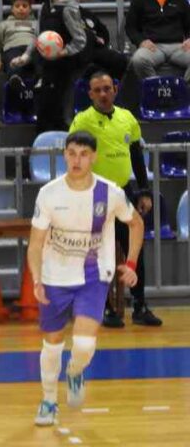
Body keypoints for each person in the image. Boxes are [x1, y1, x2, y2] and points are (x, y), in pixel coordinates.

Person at [28, 131, 142, 427]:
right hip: (54, 276)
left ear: (93, 157)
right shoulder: (49, 194)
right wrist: (37, 279)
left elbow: (136, 223)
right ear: (64, 155)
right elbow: (36, 244)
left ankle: (76, 372)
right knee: (52, 344)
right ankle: (49, 401)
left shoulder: (110, 193)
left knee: (83, 344)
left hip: (93, 275)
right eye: (72, 153)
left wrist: (130, 263)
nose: (77, 159)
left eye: (83, 154)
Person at [70, 71, 162, 328]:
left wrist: (143, 191)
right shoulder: (82, 121)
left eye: (107, 88)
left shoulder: (127, 118)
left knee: (135, 250)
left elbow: (135, 155)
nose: (103, 94)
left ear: (115, 90)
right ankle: (107, 308)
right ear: (90, 94)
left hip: (123, 194)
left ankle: (140, 306)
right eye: (97, 90)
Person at [12, 0, 90, 132]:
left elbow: (80, 40)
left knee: (57, 112)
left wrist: (63, 52)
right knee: (43, 108)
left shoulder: (69, 8)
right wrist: (26, 55)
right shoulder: (44, 7)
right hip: (46, 64)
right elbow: (38, 35)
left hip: (64, 66)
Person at [125, 0, 190, 82]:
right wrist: (141, 41)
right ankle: (156, 90)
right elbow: (130, 27)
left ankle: (183, 92)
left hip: (178, 46)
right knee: (138, 60)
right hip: (152, 47)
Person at [0, 0, 38, 86]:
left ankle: (41, 80)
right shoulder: (4, 25)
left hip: (33, 49)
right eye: (17, 6)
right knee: (12, 58)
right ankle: (15, 80)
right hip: (13, 49)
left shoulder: (37, 24)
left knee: (40, 57)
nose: (21, 8)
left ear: (30, 9)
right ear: (12, 9)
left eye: (24, 6)